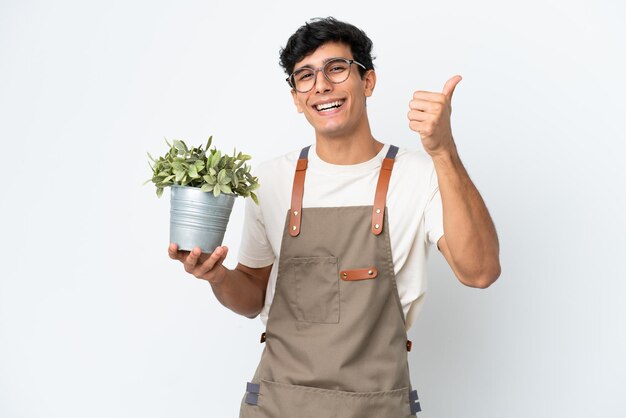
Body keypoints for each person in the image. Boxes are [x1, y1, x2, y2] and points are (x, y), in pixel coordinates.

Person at [168, 17, 500, 417]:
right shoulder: (270, 180)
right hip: (277, 405)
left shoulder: (420, 175)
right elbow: (252, 295)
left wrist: (444, 150)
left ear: (368, 81)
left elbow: (479, 272)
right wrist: (217, 276)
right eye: (305, 76)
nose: (321, 85)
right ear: (296, 97)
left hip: (377, 408)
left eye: (336, 68)